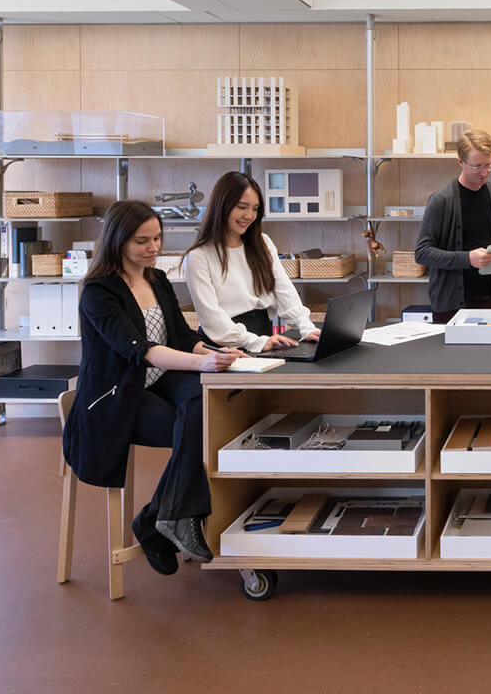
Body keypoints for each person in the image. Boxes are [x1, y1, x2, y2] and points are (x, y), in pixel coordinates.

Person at [62, 200, 244, 572]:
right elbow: (139, 352)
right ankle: (169, 520)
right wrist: (202, 363)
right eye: (142, 241)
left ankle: (156, 518)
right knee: (199, 426)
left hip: (157, 382)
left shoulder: (156, 279)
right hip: (116, 398)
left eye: (158, 238)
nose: (153, 248)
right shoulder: (99, 292)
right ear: (118, 241)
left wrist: (217, 351)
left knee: (204, 405)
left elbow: (180, 335)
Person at [182, 171, 319, 353]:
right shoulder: (198, 256)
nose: (249, 215)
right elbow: (212, 319)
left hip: (263, 337)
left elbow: (284, 289)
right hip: (224, 347)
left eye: (255, 209)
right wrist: (255, 342)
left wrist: (306, 327)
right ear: (222, 205)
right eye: (242, 207)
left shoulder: (262, 243)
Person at [415, 128, 491, 323]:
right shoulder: (441, 200)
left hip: (489, 298)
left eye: (489, 165)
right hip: (451, 304)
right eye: (477, 166)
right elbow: (422, 252)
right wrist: (467, 258)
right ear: (460, 162)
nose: (485, 173)